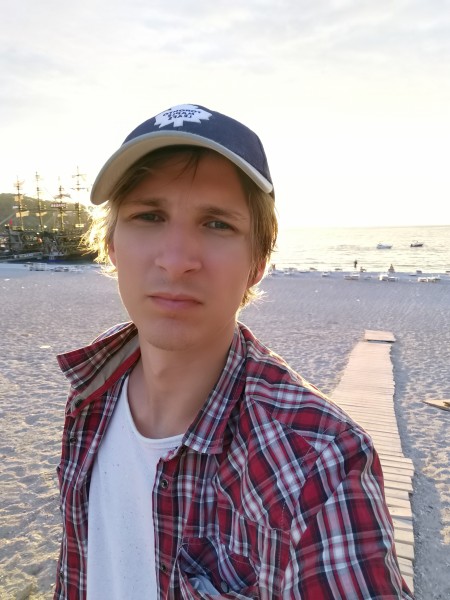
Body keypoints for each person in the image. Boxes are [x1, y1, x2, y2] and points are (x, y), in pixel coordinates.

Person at [54, 104, 413, 599]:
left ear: (257, 262)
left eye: (217, 224)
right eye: (148, 216)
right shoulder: (93, 391)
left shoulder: (319, 465)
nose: (176, 261)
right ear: (112, 245)